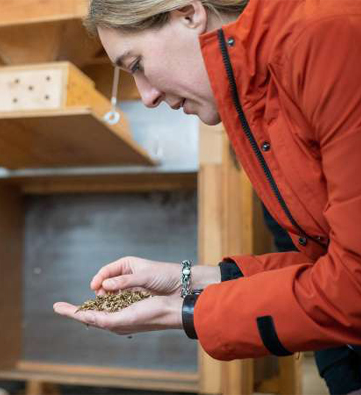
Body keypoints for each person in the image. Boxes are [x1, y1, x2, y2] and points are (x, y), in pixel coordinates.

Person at [53, 0, 361, 391]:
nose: (146, 96)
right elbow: (321, 265)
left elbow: (353, 287)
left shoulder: (324, 38)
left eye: (137, 65)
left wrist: (181, 311)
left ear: (187, 13)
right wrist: (188, 280)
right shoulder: (252, 99)